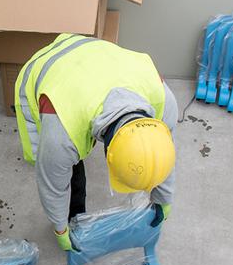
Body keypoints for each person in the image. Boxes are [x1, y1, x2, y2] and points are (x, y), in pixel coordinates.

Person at [14, 33, 178, 252]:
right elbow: (52, 186)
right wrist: (60, 229)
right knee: (55, 163)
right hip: (45, 69)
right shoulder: (62, 131)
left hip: (97, 57)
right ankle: (74, 217)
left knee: (63, 157)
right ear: (108, 155)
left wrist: (163, 199)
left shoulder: (164, 102)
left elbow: (162, 156)